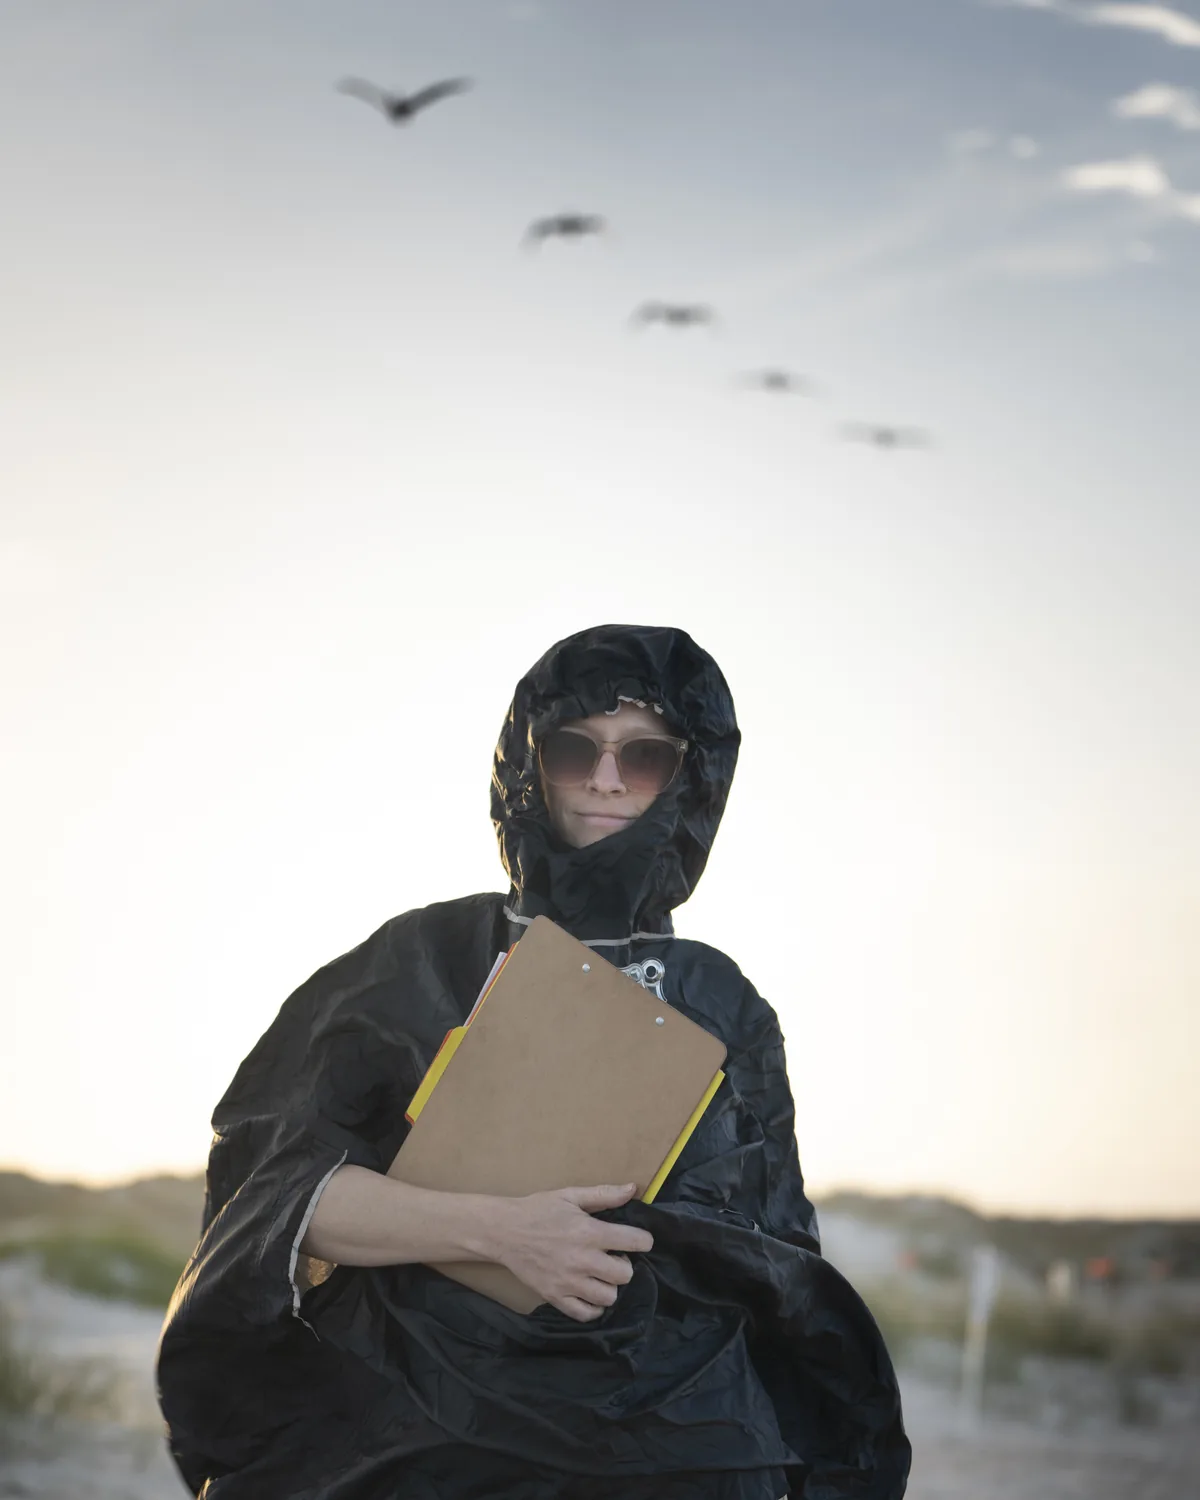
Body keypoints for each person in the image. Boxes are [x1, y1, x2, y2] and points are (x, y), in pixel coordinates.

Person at [157, 624, 912, 1499]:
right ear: (530, 764)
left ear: (691, 779)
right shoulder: (415, 961)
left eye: (644, 757)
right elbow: (278, 1201)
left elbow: (774, 1264)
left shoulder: (725, 1005)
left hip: (677, 1446)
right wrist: (502, 1231)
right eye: (573, 749)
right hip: (420, 1429)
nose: (605, 779)